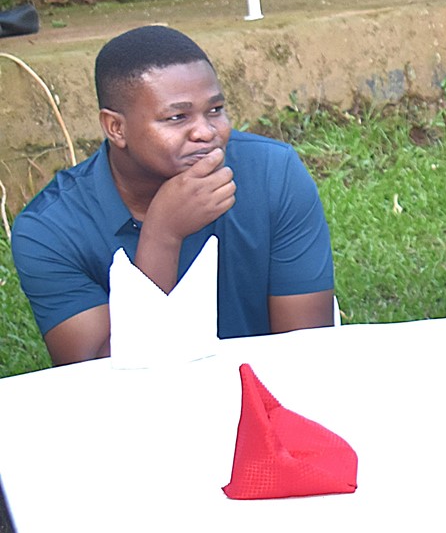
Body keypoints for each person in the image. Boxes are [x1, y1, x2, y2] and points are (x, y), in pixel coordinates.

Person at [12, 25, 336, 366]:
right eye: (177, 117)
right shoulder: (49, 230)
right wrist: (162, 234)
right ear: (115, 128)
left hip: (265, 400)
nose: (206, 132)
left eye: (215, 110)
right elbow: (100, 379)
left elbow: (306, 353)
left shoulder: (273, 174)